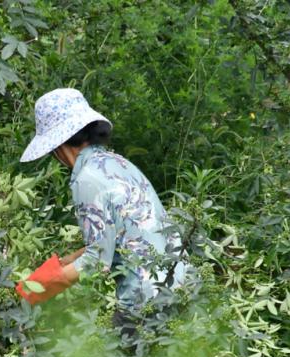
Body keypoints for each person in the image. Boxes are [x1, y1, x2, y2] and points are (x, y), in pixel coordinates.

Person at [15, 88, 187, 339]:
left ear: (58, 146)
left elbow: (97, 262)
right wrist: (64, 262)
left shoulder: (86, 179)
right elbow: (119, 235)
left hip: (145, 302)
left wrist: (34, 290)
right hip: (179, 284)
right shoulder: (118, 164)